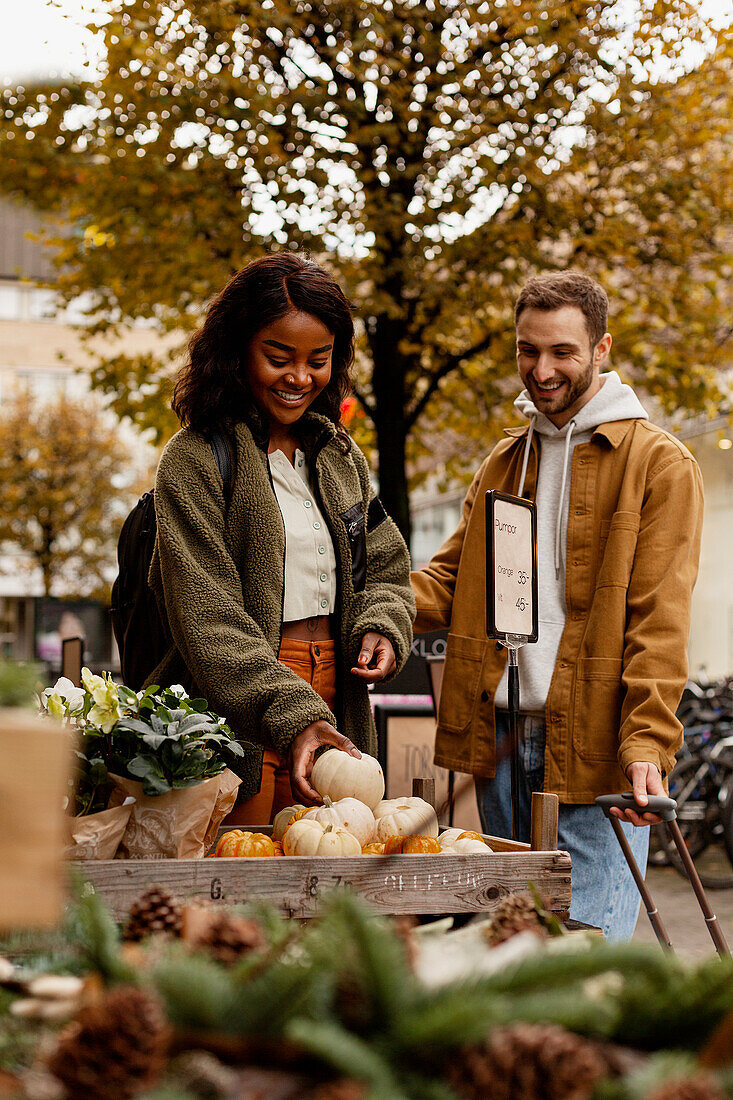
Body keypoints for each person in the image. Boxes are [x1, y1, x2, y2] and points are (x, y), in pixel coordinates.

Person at [410, 271, 703, 939]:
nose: (540, 370)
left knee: (583, 955)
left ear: (601, 349)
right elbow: (453, 582)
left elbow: (658, 623)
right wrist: (366, 602)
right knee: (514, 948)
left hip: (594, 748)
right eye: (526, 350)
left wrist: (647, 746)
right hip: (502, 738)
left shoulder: (658, 465)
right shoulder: (503, 464)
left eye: (561, 352)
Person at [148, 253, 414, 821]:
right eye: (279, 358)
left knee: (328, 881)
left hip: (337, 698)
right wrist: (293, 712)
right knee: (240, 887)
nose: (300, 378)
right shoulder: (194, 461)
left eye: (319, 361)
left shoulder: (341, 457)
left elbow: (386, 566)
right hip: (233, 711)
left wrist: (383, 627)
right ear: (238, 350)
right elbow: (208, 621)